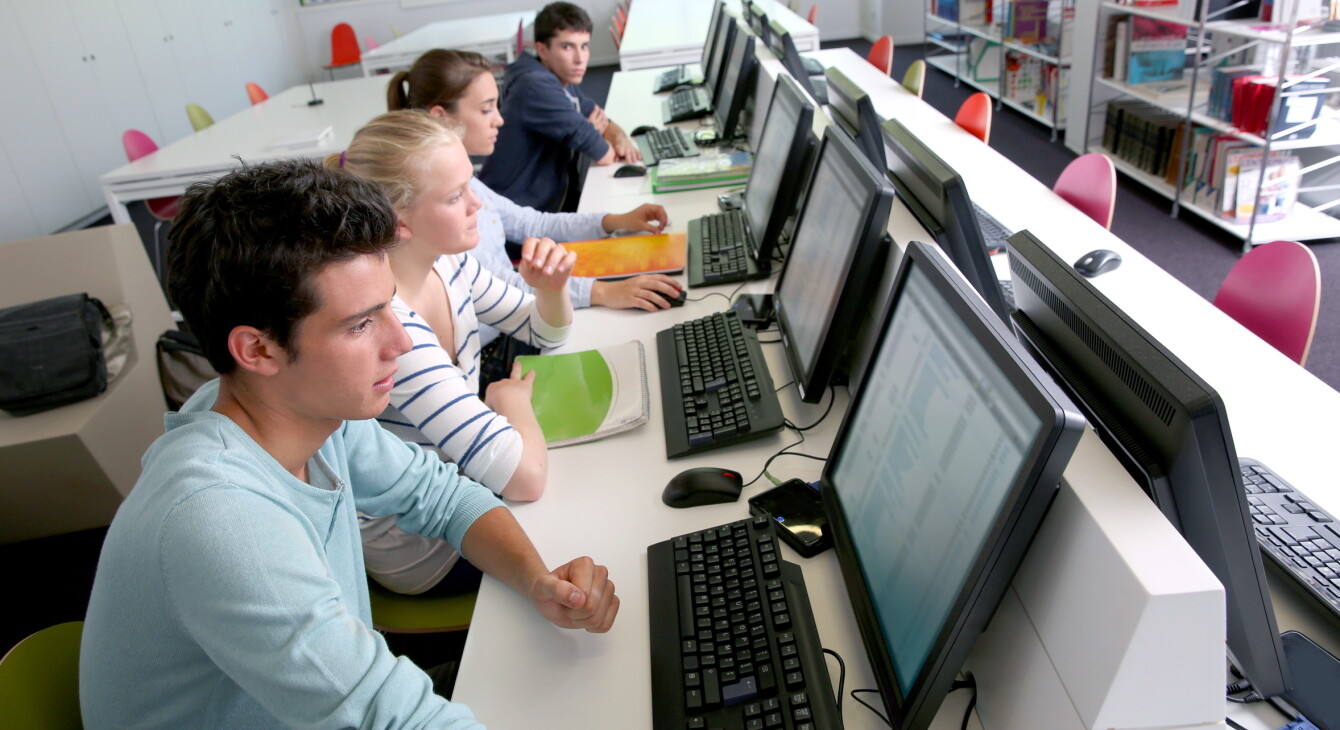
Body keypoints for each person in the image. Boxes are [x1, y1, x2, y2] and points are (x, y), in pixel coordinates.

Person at [78, 158, 619, 728]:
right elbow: (387, 717)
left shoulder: (306, 412)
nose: (402, 342)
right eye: (360, 324)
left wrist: (536, 579)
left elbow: (444, 497)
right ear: (257, 350)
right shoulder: (219, 521)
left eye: (391, 304)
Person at [332, 111, 572, 597]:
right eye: (455, 196)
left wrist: (551, 290)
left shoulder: (450, 264)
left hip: (463, 489)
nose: (477, 205)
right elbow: (525, 479)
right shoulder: (394, 329)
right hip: (425, 548)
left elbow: (544, 330)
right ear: (400, 223)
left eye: (470, 186)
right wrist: (512, 407)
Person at [389, 48, 681, 317]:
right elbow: (501, 287)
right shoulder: (436, 207)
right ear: (441, 117)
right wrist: (604, 292)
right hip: (507, 329)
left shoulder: (468, 186)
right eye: (487, 109)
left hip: (519, 311)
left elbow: (534, 223)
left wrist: (615, 220)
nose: (500, 120)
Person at [479, 2, 640, 212]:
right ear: (542, 50)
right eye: (567, 47)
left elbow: (601, 119)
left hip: (552, 204)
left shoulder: (560, 79)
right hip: (519, 217)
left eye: (584, 46)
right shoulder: (535, 86)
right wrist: (589, 130)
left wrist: (621, 139)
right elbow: (603, 153)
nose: (579, 59)